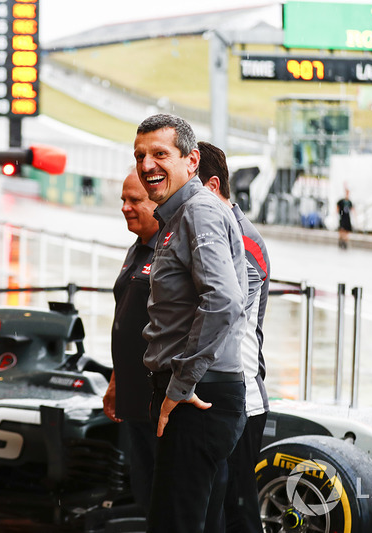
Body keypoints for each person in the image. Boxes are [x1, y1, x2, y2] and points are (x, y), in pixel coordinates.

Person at [135, 114, 248, 533]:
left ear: (192, 160)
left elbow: (224, 300)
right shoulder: (178, 216)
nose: (147, 165)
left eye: (160, 154)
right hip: (198, 392)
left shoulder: (198, 212)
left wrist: (180, 386)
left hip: (197, 397)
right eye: (140, 156)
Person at [198, 141, 269, 533]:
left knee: (237, 511)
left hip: (241, 397)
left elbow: (224, 309)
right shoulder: (215, 229)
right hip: (218, 392)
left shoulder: (241, 238)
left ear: (210, 187)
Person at [102, 167, 158, 514]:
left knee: (163, 494)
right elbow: (126, 320)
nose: (125, 206)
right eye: (123, 199)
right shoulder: (136, 248)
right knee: (145, 488)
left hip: (159, 400)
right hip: (134, 398)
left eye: (134, 200)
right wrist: (115, 379)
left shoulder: (171, 252)